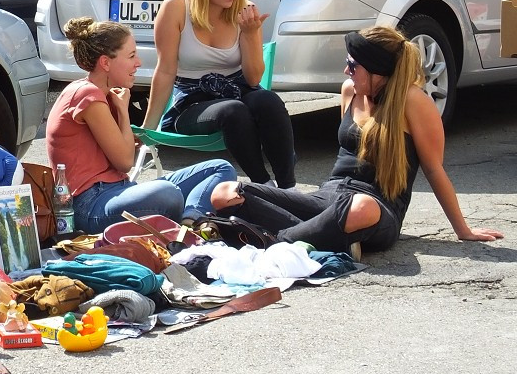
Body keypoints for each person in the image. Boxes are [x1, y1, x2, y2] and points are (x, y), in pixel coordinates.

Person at [208, 26, 504, 256]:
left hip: (377, 207)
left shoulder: (414, 101)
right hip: (328, 198)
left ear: (379, 73)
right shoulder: (351, 90)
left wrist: (462, 229)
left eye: (354, 66)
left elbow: (434, 169)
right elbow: (345, 153)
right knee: (225, 192)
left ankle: (280, 241)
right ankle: (323, 239)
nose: (347, 72)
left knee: (360, 208)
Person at [46, 17, 238, 233]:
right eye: (131, 56)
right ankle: (192, 222)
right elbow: (125, 162)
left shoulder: (105, 94)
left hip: (120, 190)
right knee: (168, 193)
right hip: (90, 206)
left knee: (220, 168)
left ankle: (190, 220)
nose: (138, 63)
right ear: (105, 63)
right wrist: (122, 111)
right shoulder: (87, 94)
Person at [141, 0, 296, 189]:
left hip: (239, 89)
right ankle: (263, 185)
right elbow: (166, 70)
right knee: (234, 111)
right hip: (193, 102)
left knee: (267, 100)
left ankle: (289, 188)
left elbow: (254, 79)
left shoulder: (244, 10)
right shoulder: (177, 7)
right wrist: (149, 128)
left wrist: (249, 34)